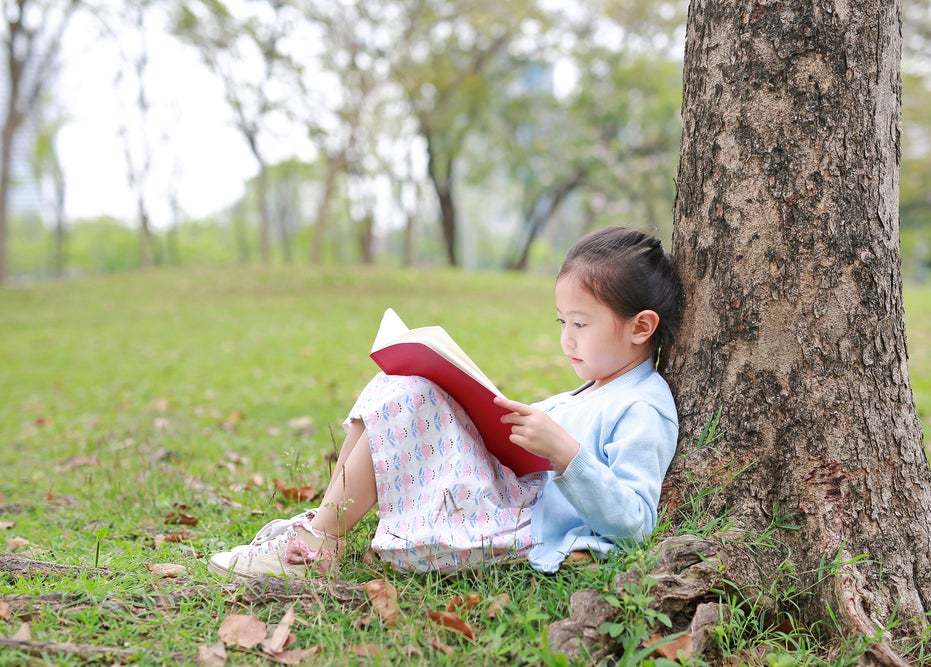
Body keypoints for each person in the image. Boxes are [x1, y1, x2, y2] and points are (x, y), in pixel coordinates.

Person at [208, 226, 681, 579]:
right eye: (561, 322)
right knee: (397, 385)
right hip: (504, 493)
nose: (566, 339)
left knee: (408, 396)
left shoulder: (643, 406)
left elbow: (634, 522)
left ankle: (317, 543)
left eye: (580, 324)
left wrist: (565, 452)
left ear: (640, 327)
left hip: (518, 520)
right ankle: (322, 530)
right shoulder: (593, 388)